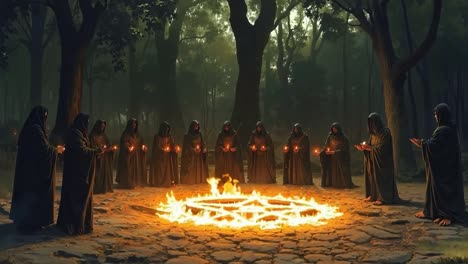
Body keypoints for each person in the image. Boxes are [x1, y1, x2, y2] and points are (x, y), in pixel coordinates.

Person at [410, 103, 467, 226]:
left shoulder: (444, 130)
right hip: (446, 166)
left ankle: (449, 216)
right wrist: (424, 144)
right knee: (440, 189)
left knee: (445, 190)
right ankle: (437, 213)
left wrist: (423, 144)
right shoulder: (449, 128)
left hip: (446, 168)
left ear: (441, 115)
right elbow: (437, 145)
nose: (435, 116)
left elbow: (436, 146)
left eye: (436, 114)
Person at [9, 106, 64, 233]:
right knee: (31, 196)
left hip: (27, 170)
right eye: (44, 116)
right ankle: (30, 222)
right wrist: (56, 150)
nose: (45, 119)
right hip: (32, 172)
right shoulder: (35, 130)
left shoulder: (30, 128)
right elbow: (43, 150)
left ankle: (26, 220)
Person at [57, 113, 101, 235]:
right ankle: (74, 225)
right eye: (86, 122)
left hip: (80, 172)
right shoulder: (75, 133)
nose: (87, 124)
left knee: (82, 198)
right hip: (75, 173)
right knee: (75, 198)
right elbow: (81, 151)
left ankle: (82, 224)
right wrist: (94, 151)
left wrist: (95, 150)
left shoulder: (81, 134)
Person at [355, 113, 399, 205]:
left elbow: (383, 148)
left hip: (382, 162)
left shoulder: (385, 132)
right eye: (369, 123)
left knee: (381, 179)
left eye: (372, 122)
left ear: (377, 122)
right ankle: (373, 195)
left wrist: (369, 148)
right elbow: (370, 145)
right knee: (372, 177)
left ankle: (382, 198)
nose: (371, 125)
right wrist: (364, 148)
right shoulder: (373, 135)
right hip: (373, 160)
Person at [319, 122, 354, 188]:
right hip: (332, 158)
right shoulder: (330, 137)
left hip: (340, 159)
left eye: (335, 129)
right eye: (333, 129)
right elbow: (326, 146)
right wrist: (322, 152)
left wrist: (334, 152)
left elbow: (345, 151)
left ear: (339, 129)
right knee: (333, 171)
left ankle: (343, 184)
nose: (334, 130)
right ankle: (332, 183)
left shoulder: (344, 138)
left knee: (340, 171)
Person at [116, 118, 147, 188]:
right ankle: (128, 183)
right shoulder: (125, 134)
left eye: (135, 124)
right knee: (129, 169)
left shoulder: (138, 134)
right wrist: (127, 148)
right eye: (132, 124)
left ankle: (136, 182)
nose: (134, 126)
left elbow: (141, 142)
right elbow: (124, 142)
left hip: (137, 155)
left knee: (136, 169)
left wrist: (144, 147)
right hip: (129, 155)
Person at [149, 122, 180, 187]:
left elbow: (172, 145)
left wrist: (175, 149)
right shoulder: (157, 137)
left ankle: (169, 182)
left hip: (167, 158)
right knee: (160, 171)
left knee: (167, 171)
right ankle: (159, 182)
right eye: (165, 128)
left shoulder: (170, 137)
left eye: (168, 128)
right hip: (159, 158)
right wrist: (163, 150)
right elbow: (156, 147)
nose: (166, 130)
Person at [89, 120, 116, 194]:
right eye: (101, 126)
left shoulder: (104, 135)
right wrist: (100, 150)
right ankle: (97, 189)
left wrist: (111, 148)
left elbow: (108, 144)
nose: (102, 128)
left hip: (105, 159)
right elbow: (92, 147)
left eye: (103, 127)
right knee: (98, 174)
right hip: (97, 159)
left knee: (104, 173)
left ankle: (104, 188)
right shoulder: (92, 136)